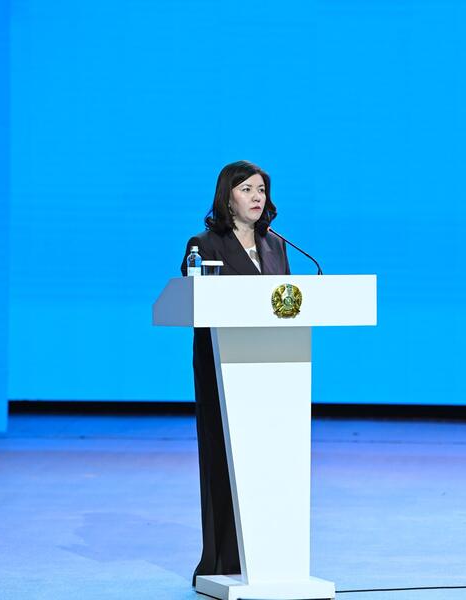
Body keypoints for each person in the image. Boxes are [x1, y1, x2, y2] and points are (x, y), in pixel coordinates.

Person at [180, 161, 290, 585]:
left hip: (272, 369)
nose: (257, 196)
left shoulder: (276, 245)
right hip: (223, 367)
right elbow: (194, 300)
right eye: (247, 189)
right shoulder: (204, 244)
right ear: (227, 197)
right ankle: (223, 560)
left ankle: (270, 556)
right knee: (222, 458)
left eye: (261, 189)